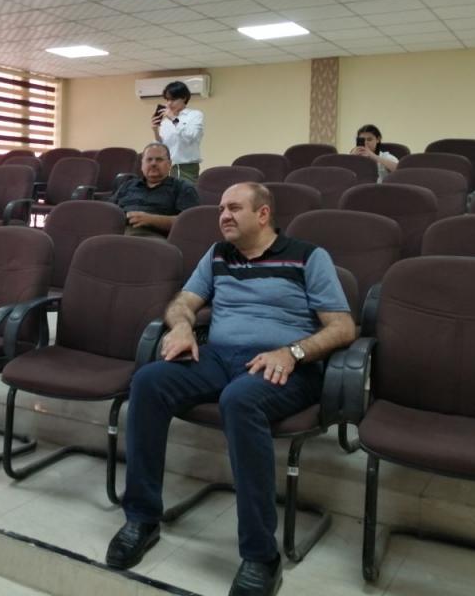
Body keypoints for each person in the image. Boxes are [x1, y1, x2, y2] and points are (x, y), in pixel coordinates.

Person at [106, 182, 355, 596]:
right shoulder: (217, 254)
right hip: (219, 356)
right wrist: (182, 327)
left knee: (239, 401)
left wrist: (292, 352)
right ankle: (142, 518)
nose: (223, 215)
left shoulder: (309, 256)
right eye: (221, 208)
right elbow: (182, 302)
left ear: (263, 214)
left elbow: (343, 327)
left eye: (234, 208)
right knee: (148, 381)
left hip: (285, 365)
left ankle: (260, 555)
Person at [111, 142, 200, 237]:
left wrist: (152, 220)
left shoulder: (183, 188)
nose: (153, 163)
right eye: (149, 159)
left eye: (159, 159)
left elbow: (190, 223)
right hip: (117, 232)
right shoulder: (128, 186)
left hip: (154, 238)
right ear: (142, 165)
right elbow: (108, 210)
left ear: (169, 164)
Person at [153, 80, 204, 183]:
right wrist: (155, 131)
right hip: (166, 167)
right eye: (167, 99)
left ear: (184, 98)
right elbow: (161, 146)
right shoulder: (166, 121)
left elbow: (191, 136)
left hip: (186, 168)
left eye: (173, 99)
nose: (169, 103)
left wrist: (173, 119)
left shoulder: (194, 115)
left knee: (185, 192)